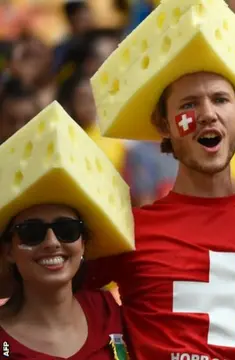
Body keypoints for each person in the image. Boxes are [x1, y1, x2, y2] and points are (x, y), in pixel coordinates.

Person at [79, 2, 235, 359]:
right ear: (164, 126)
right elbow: (44, 302)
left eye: (220, 100)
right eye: (189, 105)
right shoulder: (128, 232)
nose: (207, 114)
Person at [0, 103, 131, 359]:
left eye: (67, 230)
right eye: (31, 232)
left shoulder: (109, 312)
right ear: (8, 250)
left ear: (83, 243)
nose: (51, 242)